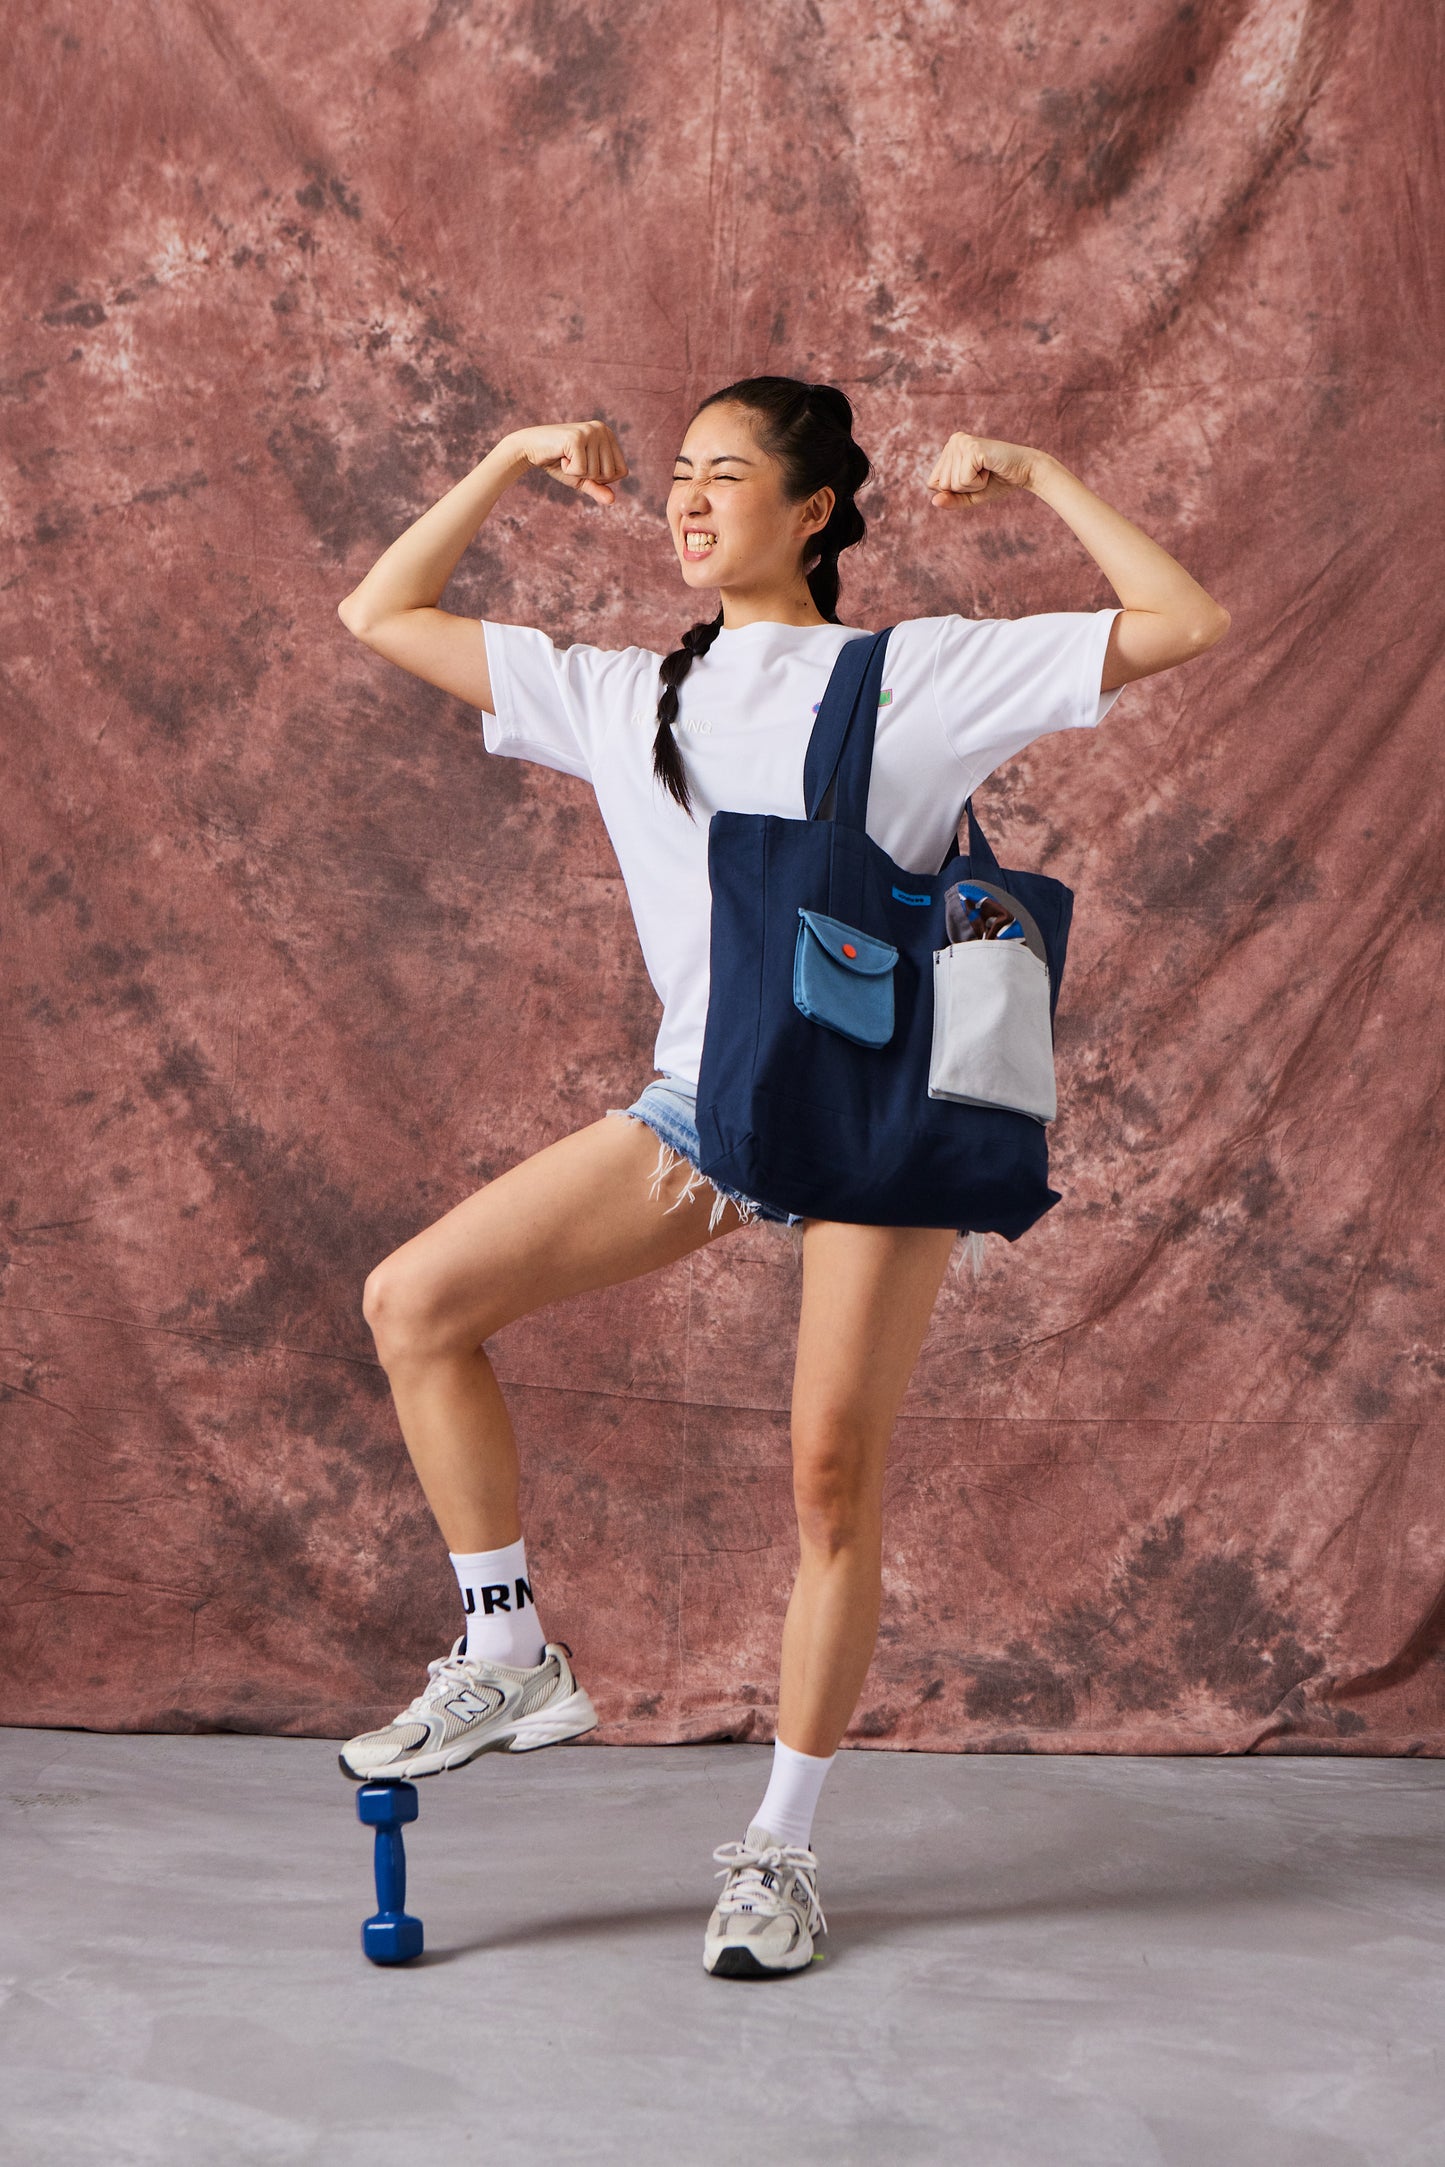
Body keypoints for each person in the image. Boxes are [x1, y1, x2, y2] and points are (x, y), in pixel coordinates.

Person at [334, 377, 1229, 1978]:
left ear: (814, 512)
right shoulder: (620, 692)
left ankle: (777, 1848)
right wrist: (501, 458)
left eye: (724, 475)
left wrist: (1038, 469)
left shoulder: (919, 676)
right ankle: (505, 1644)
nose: (685, 499)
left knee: (827, 1474)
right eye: (674, 473)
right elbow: (382, 607)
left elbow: (1176, 614)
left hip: (871, 1113)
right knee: (415, 1302)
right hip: (706, 1113)